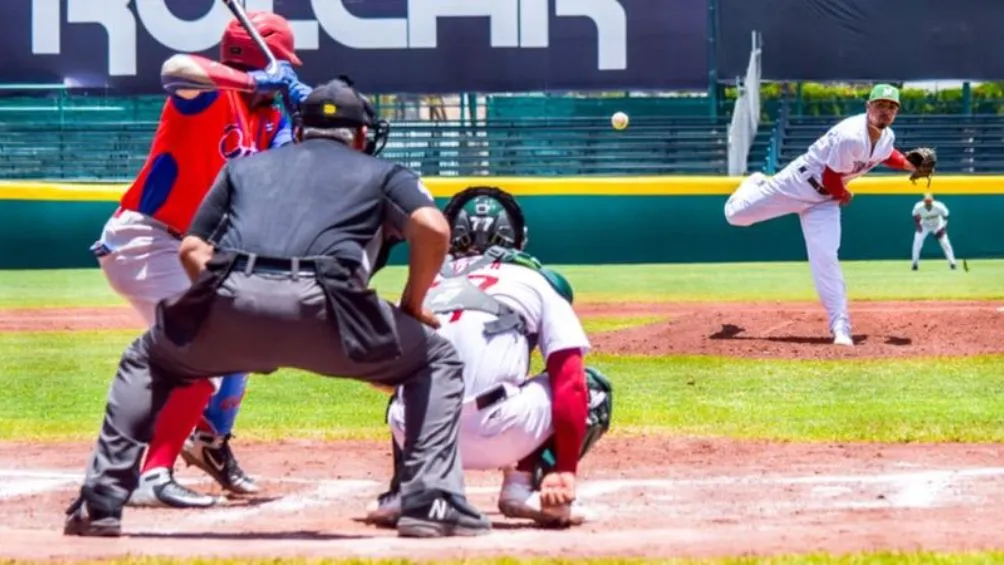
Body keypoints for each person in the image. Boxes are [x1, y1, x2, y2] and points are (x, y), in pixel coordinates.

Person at [64, 78, 492, 539]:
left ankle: (99, 502)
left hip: (233, 292)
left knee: (147, 358)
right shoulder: (386, 173)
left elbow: (191, 248)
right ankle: (430, 501)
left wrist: (231, 306)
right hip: (331, 307)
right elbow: (433, 227)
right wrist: (412, 302)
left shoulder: (243, 168)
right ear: (361, 135)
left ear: (301, 130)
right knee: (437, 359)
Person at [88, 11, 312, 508]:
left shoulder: (268, 117)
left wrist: (308, 116)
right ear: (255, 61)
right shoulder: (210, 92)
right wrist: (257, 79)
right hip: (148, 240)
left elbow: (286, 170)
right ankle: (151, 475)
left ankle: (207, 439)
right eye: (280, 66)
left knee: (245, 330)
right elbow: (177, 68)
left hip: (191, 247)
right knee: (205, 351)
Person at [362, 186, 613, 529]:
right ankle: (526, 487)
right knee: (593, 389)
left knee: (411, 384)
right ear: (518, 238)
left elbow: (381, 373)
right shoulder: (536, 280)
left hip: (419, 434)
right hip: (503, 433)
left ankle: (408, 489)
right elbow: (570, 380)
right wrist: (566, 467)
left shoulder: (426, 282)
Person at [723, 83, 924, 347]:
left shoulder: (887, 136)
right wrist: (844, 195)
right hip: (797, 184)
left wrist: (909, 164)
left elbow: (885, 154)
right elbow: (831, 177)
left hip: (823, 202)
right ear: (868, 107)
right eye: (880, 105)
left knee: (826, 258)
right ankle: (755, 181)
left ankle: (841, 326)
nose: (885, 111)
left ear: (896, 112)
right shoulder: (851, 135)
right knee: (736, 216)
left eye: (891, 107)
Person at [911, 193, 957, 271]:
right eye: (926, 201)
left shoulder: (939, 206)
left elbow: (946, 216)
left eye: (929, 201)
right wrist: (918, 225)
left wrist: (943, 228)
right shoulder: (918, 206)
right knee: (917, 241)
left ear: (932, 201)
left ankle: (952, 263)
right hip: (924, 224)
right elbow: (914, 215)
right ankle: (915, 264)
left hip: (937, 224)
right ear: (923, 201)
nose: (928, 203)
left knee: (945, 242)